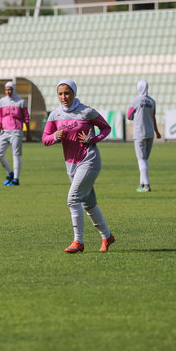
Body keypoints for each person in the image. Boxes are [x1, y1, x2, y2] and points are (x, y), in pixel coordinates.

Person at [42, 78, 115, 253]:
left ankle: (78, 242)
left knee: (73, 199)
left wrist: (94, 139)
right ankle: (107, 236)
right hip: (70, 164)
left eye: (67, 93)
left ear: (74, 93)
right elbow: (45, 139)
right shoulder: (55, 115)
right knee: (88, 204)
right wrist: (54, 137)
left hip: (89, 160)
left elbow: (106, 128)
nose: (63, 97)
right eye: (60, 94)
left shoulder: (86, 111)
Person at [127, 80, 161, 192]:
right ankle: (141, 184)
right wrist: (157, 131)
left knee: (141, 159)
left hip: (139, 133)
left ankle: (146, 185)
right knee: (144, 159)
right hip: (150, 133)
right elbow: (154, 117)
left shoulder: (135, 101)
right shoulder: (152, 101)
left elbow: (129, 116)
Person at [0, 81, 30, 186]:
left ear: (14, 90)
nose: (8, 91)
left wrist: (28, 132)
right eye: (6, 89)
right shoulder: (2, 101)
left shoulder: (21, 102)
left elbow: (26, 118)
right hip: (4, 131)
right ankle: (10, 173)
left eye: (10, 89)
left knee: (16, 155)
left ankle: (16, 179)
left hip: (16, 130)